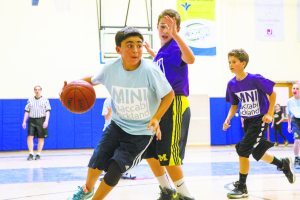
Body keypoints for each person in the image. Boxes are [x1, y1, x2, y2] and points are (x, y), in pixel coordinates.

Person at [67, 26, 174, 200]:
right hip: (117, 125)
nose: (136, 50)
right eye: (129, 45)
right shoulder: (110, 69)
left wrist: (156, 118)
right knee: (97, 160)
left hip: (141, 133)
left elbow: (169, 94)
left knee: (115, 169)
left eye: (139, 45)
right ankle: (87, 190)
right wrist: (70, 86)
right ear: (119, 49)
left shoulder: (150, 70)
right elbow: (91, 81)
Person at [222, 49, 295, 199]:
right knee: (256, 152)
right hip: (247, 121)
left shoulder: (255, 79)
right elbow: (234, 105)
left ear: (243, 63)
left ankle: (242, 186)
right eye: (229, 62)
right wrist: (228, 118)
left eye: (234, 62)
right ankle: (283, 164)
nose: (231, 64)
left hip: (259, 119)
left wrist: (269, 113)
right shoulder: (231, 84)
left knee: (242, 149)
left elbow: (272, 94)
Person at [143, 9, 195, 200]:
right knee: (149, 153)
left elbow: (190, 59)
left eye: (171, 26)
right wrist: (152, 53)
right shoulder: (162, 53)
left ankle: (186, 196)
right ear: (157, 27)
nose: (166, 30)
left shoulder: (176, 46)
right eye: (163, 26)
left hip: (175, 104)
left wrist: (176, 36)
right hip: (159, 107)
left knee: (169, 155)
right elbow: (164, 65)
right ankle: (167, 190)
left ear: (177, 29)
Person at [101, 97, 137, 180]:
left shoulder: (125, 100)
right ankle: (106, 173)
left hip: (123, 130)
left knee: (123, 152)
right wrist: (110, 112)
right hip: (110, 129)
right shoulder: (108, 101)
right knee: (108, 152)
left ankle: (125, 172)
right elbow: (106, 118)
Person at [22, 85, 51, 161]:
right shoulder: (30, 100)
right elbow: (27, 111)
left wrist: (46, 121)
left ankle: (38, 154)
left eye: (38, 89)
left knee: (41, 138)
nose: (37, 91)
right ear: (34, 91)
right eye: (35, 89)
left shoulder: (45, 100)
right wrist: (24, 121)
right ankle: (31, 153)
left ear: (41, 90)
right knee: (29, 136)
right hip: (32, 120)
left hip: (41, 120)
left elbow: (47, 111)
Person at [287, 82, 300, 169]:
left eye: (297, 88)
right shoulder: (289, 101)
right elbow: (288, 114)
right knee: (297, 140)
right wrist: (289, 125)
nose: (294, 90)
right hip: (295, 121)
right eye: (293, 88)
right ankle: (296, 158)